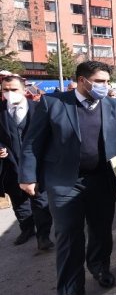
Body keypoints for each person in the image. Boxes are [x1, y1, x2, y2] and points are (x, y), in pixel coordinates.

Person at [19, 61, 116, 295]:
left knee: (101, 230)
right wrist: (27, 175)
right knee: (68, 233)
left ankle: (99, 267)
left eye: (106, 81)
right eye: (99, 81)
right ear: (81, 80)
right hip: (64, 181)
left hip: (102, 180)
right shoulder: (53, 103)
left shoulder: (115, 106)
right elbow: (33, 142)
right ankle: (70, 288)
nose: (104, 86)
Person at [0, 75, 53, 250]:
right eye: (5, 90)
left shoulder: (39, 109)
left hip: (37, 165)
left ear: (24, 90)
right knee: (19, 200)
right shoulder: (0, 111)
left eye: (13, 90)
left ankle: (43, 236)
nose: (9, 93)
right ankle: (26, 228)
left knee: (40, 200)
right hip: (10, 165)